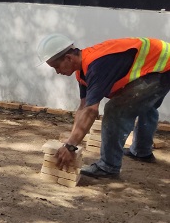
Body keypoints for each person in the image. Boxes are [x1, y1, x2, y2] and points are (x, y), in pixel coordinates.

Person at [37, 34, 170, 179]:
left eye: (56, 66)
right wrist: (71, 140)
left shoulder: (97, 66)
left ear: (69, 58)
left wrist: (70, 146)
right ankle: (142, 151)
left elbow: (91, 111)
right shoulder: (83, 71)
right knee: (144, 104)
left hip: (162, 68)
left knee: (115, 110)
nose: (57, 72)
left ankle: (108, 166)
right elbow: (83, 107)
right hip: (159, 65)